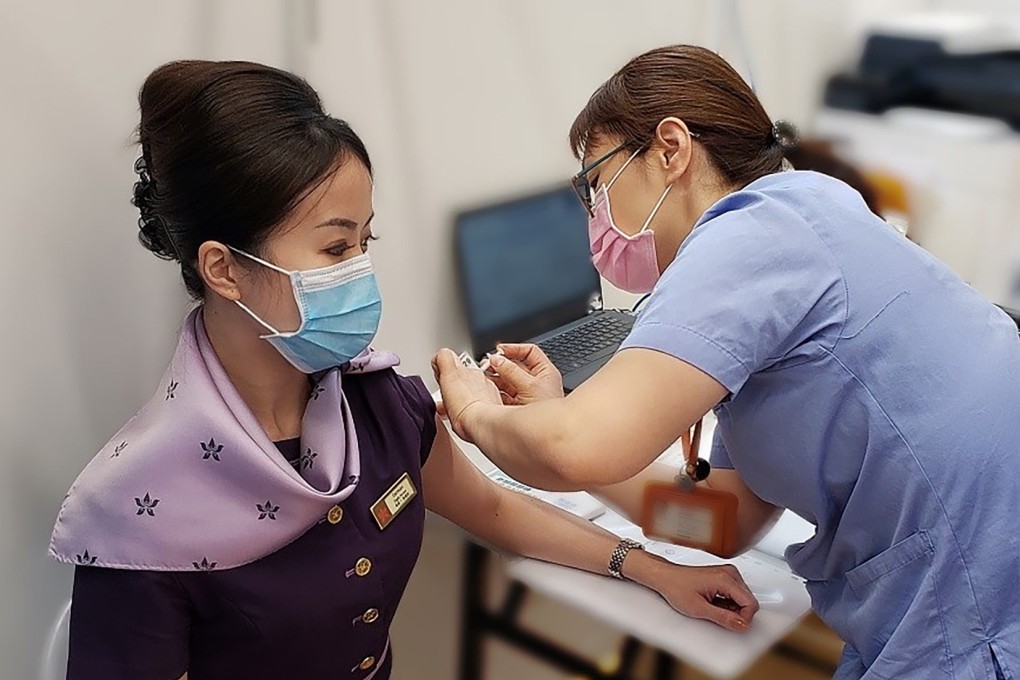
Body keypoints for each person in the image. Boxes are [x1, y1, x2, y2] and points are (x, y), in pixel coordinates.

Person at [47, 60, 761, 680]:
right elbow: (720, 515)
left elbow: (497, 509)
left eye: (366, 241)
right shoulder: (137, 513)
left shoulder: (377, 403)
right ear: (224, 268)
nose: (361, 272)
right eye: (335, 250)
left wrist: (655, 569)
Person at [433, 45, 1019, 680]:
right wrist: (557, 420)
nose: (596, 216)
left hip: (977, 600)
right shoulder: (802, 222)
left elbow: (575, 447)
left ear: (670, 149)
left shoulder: (755, 230)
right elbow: (723, 520)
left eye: (596, 184)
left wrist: (476, 412)